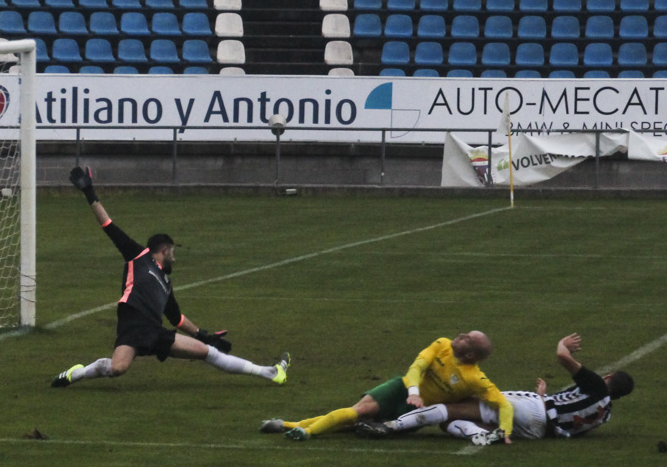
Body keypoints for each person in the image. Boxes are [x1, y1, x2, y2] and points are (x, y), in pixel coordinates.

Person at [51, 166, 290, 388]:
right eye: (173, 252)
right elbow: (108, 225)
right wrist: (89, 192)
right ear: (164, 250)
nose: (175, 258)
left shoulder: (166, 283)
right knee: (117, 368)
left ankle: (270, 372)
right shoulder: (138, 256)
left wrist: (202, 334)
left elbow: (176, 318)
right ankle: (77, 373)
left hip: (155, 331)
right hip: (132, 325)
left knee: (206, 351)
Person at [356, 333, 634, 445]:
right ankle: (481, 435)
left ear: (608, 377)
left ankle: (389, 426)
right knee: (451, 423)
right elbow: (565, 413)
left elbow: (562, 357)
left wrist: (564, 346)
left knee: (454, 408)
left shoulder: (598, 386)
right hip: (540, 431)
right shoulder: (605, 413)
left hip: (531, 409)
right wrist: (543, 395)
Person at [260, 331, 513, 442]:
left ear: (471, 356)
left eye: (467, 339)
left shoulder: (475, 379)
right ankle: (304, 432)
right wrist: (414, 393)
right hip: (401, 388)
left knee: (350, 426)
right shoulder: (442, 344)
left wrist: (506, 432)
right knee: (359, 411)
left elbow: (502, 403)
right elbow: (416, 367)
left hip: (414, 415)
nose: (461, 335)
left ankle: (288, 425)